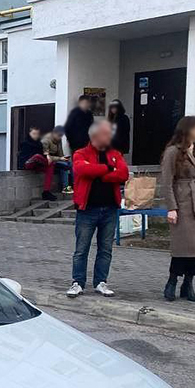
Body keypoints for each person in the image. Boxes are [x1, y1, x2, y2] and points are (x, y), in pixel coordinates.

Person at [66, 121, 129, 298]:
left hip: (109, 209)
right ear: (95, 136)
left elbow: (123, 174)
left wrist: (101, 175)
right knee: (81, 249)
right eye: (106, 133)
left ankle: (101, 282)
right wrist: (108, 169)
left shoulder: (115, 154)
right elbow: (82, 169)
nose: (110, 137)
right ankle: (78, 282)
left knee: (105, 249)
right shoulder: (80, 153)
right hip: (87, 210)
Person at [158, 116, 195, 302]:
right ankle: (172, 281)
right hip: (182, 202)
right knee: (182, 245)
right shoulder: (173, 152)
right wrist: (172, 208)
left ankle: (188, 284)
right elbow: (167, 182)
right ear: (188, 129)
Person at [42, 126, 71, 195]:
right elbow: (46, 156)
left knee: (71, 164)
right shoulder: (46, 141)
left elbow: (60, 153)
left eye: (61, 135)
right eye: (59, 135)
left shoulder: (58, 140)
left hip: (57, 160)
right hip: (49, 161)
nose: (60, 137)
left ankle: (73, 184)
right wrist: (60, 159)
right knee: (64, 166)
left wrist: (64, 158)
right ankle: (65, 187)